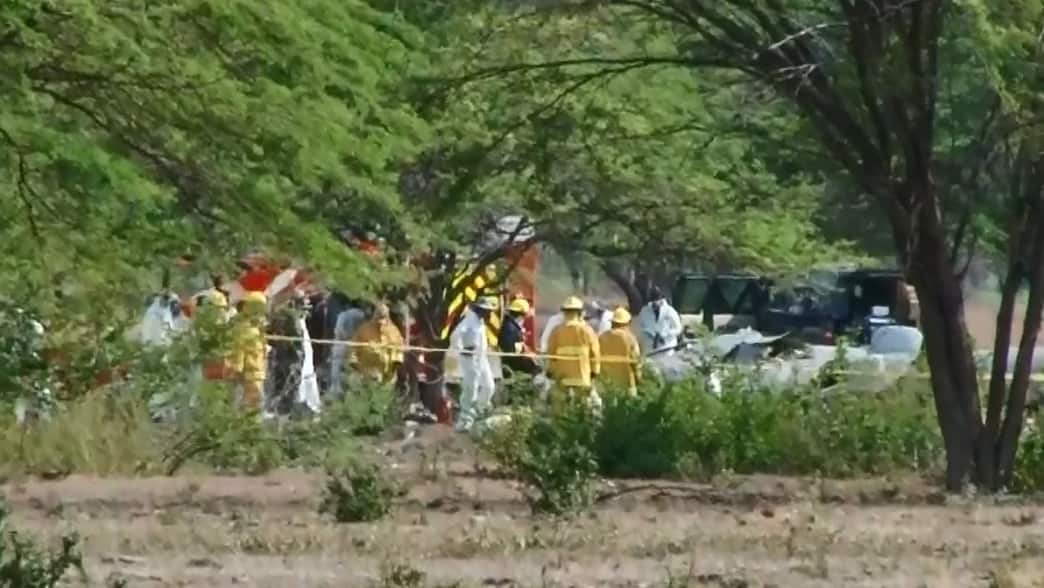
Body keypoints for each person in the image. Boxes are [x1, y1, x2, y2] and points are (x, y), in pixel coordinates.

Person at [546, 296, 601, 410]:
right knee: (582, 409)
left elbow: (550, 354)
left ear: (564, 312)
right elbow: (595, 354)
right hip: (582, 377)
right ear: (580, 312)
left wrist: (550, 371)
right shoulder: (587, 330)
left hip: (562, 378)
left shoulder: (556, 331)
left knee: (562, 410)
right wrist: (595, 371)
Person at [451, 297, 497, 432]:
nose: (489, 313)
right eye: (487, 310)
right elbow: (455, 335)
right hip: (470, 359)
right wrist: (462, 349)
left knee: (489, 386)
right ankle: (465, 420)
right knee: (470, 389)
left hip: (481, 358)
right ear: (479, 309)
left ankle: (477, 411)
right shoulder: (468, 320)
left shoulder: (480, 322)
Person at [227, 291, 269, 412]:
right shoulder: (245, 329)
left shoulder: (255, 329)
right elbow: (238, 351)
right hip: (249, 376)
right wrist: (236, 371)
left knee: (254, 406)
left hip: (257, 374)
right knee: (250, 408)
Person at [349, 303, 404, 383]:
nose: (380, 321)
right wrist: (354, 363)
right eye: (378, 317)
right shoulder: (364, 329)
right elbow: (354, 346)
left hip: (386, 374)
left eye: (383, 318)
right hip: (366, 372)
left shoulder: (393, 331)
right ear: (374, 316)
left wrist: (396, 364)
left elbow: (398, 349)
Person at [598, 307, 642, 395]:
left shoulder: (602, 337)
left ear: (612, 323)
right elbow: (636, 362)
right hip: (626, 384)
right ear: (627, 323)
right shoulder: (630, 338)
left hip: (606, 384)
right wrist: (639, 379)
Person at [499, 297, 539, 376]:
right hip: (514, 364)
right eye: (525, 315)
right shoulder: (510, 328)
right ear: (520, 314)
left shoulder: (513, 325)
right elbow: (510, 349)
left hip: (516, 360)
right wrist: (525, 352)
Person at [637, 287, 683, 355]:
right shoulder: (644, 311)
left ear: (661, 299)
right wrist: (650, 333)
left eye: (656, 300)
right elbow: (641, 326)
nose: (654, 303)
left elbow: (678, 329)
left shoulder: (670, 311)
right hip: (650, 347)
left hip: (666, 346)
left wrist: (665, 334)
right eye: (653, 300)